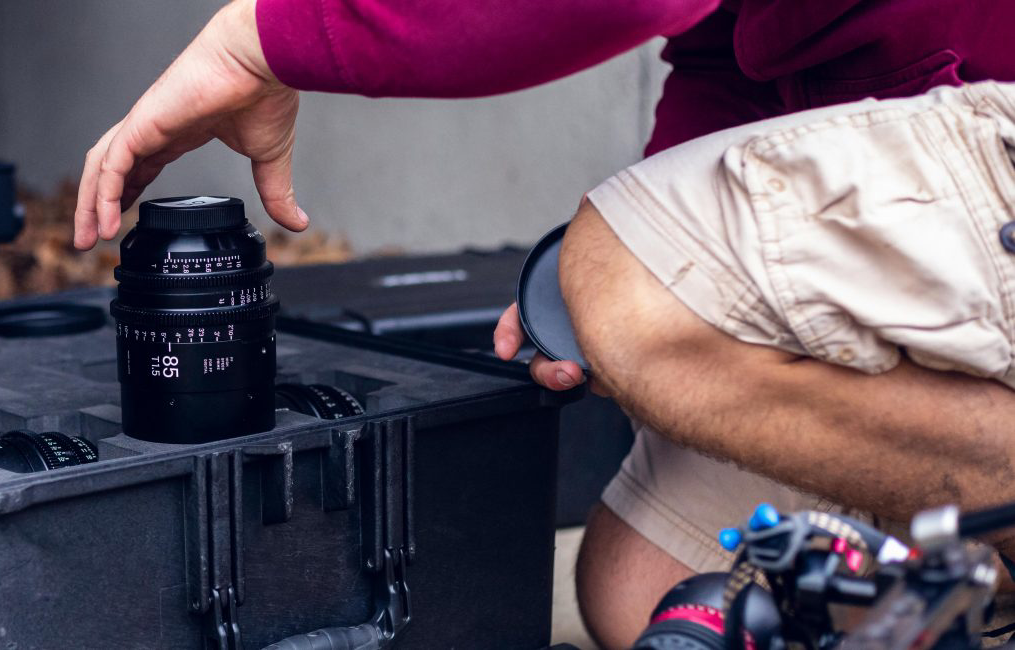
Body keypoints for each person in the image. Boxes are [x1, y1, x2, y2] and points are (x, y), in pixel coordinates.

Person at [72, 1, 1015, 646]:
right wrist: (656, 296)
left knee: (619, 270)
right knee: (640, 591)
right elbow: (730, 52)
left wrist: (264, 36)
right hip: (940, 202)